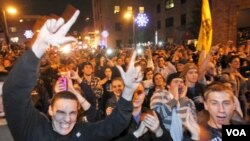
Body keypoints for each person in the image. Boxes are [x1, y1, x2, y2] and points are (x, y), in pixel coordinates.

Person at [2, 10, 144, 141]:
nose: (67, 119)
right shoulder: (33, 130)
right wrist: (40, 45)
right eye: (61, 112)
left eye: (72, 113)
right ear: (50, 110)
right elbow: (13, 94)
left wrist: (128, 92)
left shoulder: (82, 132)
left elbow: (112, 127)